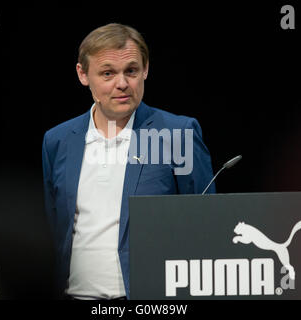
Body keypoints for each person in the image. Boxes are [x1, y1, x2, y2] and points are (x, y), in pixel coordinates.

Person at [42, 23, 216, 300]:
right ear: (83, 74)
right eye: (108, 73)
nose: (122, 83)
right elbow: (54, 225)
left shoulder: (177, 134)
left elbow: (206, 223)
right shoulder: (58, 140)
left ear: (145, 70)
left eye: (131, 71)